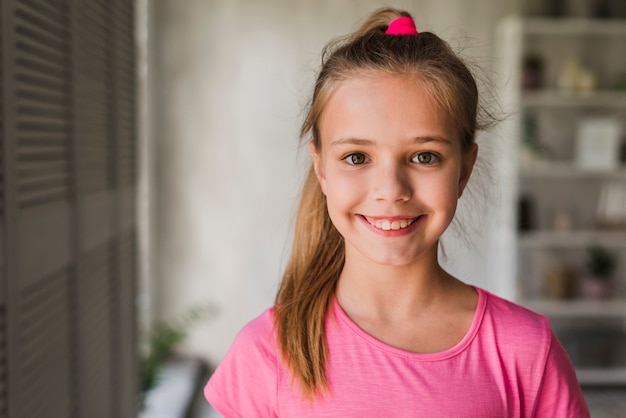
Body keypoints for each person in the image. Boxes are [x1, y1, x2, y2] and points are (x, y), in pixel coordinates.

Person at [204, 7, 590, 417]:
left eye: (425, 156)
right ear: (321, 168)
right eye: (356, 157)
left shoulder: (526, 350)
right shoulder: (267, 351)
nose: (391, 190)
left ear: (464, 168)